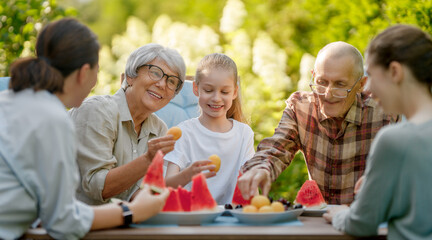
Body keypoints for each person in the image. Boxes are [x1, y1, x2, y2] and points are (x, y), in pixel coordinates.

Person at [0, 18, 168, 240]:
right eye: (97, 70)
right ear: (83, 72)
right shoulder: (53, 118)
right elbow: (63, 223)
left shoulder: (7, 100)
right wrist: (132, 212)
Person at [238, 41, 399, 205]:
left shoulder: (386, 115)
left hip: (367, 220)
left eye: (340, 85)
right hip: (318, 220)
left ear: (360, 85)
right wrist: (261, 168)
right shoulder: (301, 108)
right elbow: (277, 148)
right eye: (322, 82)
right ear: (313, 75)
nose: (328, 94)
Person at [323, 25, 432, 239]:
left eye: (371, 75)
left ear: (395, 71)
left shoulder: (395, 139)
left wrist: (341, 214)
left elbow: (361, 224)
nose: (367, 88)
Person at [69, 43, 186, 205]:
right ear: (130, 76)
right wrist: (148, 159)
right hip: (75, 222)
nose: (162, 84)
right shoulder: (97, 111)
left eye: (172, 82)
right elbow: (97, 187)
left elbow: (136, 195)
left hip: (124, 222)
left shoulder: (159, 129)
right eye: (155, 72)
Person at [164, 53, 255, 204]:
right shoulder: (184, 133)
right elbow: (167, 186)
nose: (216, 98)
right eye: (208, 90)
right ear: (196, 88)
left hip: (232, 218)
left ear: (234, 92)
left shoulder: (244, 133)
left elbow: (251, 183)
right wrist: (188, 174)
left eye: (224, 92)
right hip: (193, 217)